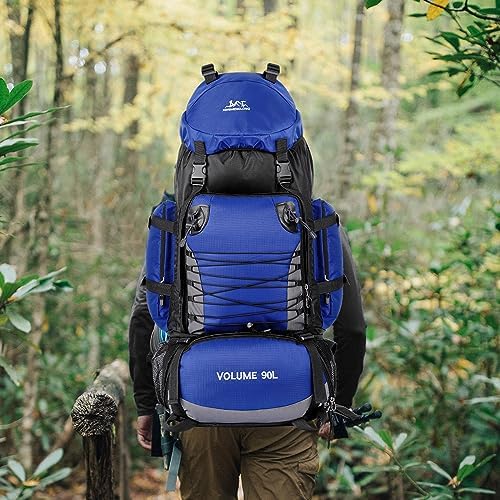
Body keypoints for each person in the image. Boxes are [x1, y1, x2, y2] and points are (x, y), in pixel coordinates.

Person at [128, 202, 366, 500]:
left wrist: (146, 404)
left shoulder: (179, 217)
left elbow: (143, 317)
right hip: (289, 402)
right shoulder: (314, 217)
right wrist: (338, 405)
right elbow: (353, 327)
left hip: (199, 402)